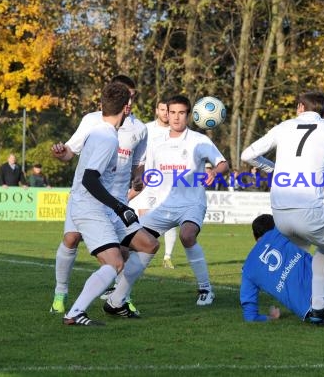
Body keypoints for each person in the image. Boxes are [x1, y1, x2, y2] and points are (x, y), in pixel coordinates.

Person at [241, 91, 324, 330]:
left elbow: (247, 155)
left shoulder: (283, 126)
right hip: (308, 210)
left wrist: (274, 169)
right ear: (323, 112)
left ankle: (319, 304)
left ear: (300, 107)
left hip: (280, 215)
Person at [106, 94, 229, 309]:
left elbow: (222, 163)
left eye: (181, 113)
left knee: (187, 235)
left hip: (192, 203)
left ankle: (205, 288)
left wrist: (214, 173)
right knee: (128, 243)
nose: (176, 117)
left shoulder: (199, 140)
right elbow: (147, 173)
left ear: (189, 115)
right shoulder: (156, 142)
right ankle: (119, 293)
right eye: (173, 112)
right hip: (163, 207)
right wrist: (138, 180)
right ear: (167, 114)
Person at [49, 75, 149, 315]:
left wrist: (138, 180)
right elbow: (73, 156)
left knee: (139, 248)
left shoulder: (140, 129)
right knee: (73, 239)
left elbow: (139, 165)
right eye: (127, 95)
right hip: (90, 200)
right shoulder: (94, 123)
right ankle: (62, 294)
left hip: (116, 201)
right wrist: (61, 152)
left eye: (133, 95)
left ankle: (118, 297)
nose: (130, 101)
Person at [131, 98, 180, 270]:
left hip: (167, 182)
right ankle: (139, 253)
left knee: (169, 218)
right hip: (146, 181)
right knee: (142, 218)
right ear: (156, 111)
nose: (166, 113)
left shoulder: (177, 131)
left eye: (168, 110)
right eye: (162, 109)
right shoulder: (147, 129)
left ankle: (167, 256)